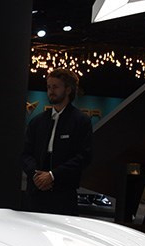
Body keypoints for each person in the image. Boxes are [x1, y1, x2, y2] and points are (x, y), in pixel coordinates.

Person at [21, 69, 93, 215]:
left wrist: (53, 175)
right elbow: (25, 154)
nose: (51, 91)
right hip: (35, 193)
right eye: (48, 87)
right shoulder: (37, 121)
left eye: (55, 87)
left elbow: (84, 157)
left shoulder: (81, 121)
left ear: (68, 89)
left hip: (63, 194)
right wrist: (36, 176)